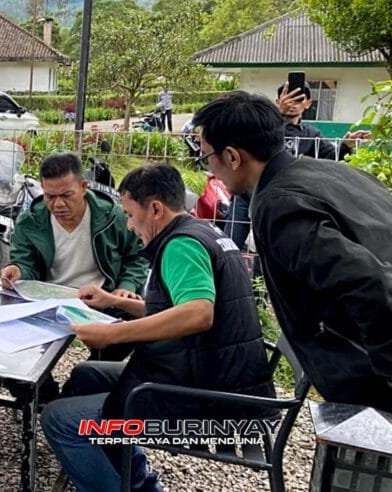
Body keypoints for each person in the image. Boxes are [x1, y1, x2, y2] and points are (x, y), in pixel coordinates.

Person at [41, 163, 275, 492]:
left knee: (58, 418)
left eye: (129, 214)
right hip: (220, 375)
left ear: (155, 209)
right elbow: (178, 307)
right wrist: (115, 301)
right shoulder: (204, 232)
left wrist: (111, 334)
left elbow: (198, 313)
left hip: (212, 401)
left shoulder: (181, 245)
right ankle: (136, 481)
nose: (128, 224)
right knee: (86, 374)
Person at [194, 91, 392, 412]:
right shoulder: (337, 172)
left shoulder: (279, 204)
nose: (210, 169)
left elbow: (370, 285)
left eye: (207, 158)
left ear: (232, 157)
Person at [222, 83, 370, 251]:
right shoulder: (266, 127)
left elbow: (331, 156)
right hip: (248, 193)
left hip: (281, 198)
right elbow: (251, 140)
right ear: (278, 101)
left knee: (269, 247)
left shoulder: (311, 135)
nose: (293, 103)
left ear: (308, 103)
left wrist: (346, 145)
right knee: (230, 243)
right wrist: (278, 116)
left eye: (299, 99)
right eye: (288, 98)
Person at [1, 153, 147, 316]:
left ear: (83, 187)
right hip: (47, 304)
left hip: (101, 303)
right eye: (50, 196)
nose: (58, 204)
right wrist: (18, 270)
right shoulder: (29, 222)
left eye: (66, 195)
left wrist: (126, 286)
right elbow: (26, 262)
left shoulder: (113, 217)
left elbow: (137, 256)